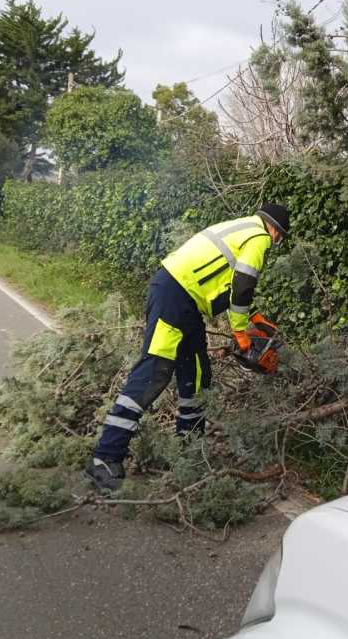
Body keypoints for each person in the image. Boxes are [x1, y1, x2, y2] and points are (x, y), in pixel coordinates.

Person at [85, 202, 290, 492]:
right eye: (279, 236)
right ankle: (105, 457)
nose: (276, 241)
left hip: (184, 299)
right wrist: (240, 333)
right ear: (275, 229)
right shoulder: (259, 237)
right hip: (174, 297)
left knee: (196, 374)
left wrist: (253, 315)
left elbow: (229, 283)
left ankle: (190, 449)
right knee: (154, 371)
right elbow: (243, 284)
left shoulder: (242, 227)